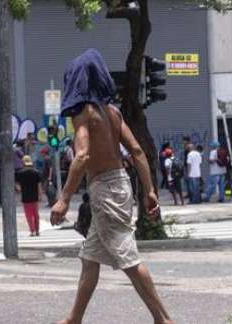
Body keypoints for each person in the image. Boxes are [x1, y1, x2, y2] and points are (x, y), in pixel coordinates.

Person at [50, 48, 172, 324]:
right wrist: (149, 190)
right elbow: (137, 151)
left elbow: (82, 156)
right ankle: (74, 319)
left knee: (128, 258)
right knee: (90, 258)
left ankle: (163, 319)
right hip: (118, 184)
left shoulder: (83, 113)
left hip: (106, 189)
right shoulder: (112, 113)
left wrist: (64, 198)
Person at [15, 155, 44, 236]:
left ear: (23, 163)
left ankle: (32, 231)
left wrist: (21, 189)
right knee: (36, 215)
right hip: (35, 197)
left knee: (29, 215)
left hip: (25, 197)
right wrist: (40, 195)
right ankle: (37, 231)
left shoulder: (19, 173)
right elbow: (39, 186)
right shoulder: (36, 172)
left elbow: (17, 187)